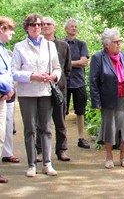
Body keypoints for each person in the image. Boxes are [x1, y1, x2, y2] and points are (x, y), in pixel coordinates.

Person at [12, 14, 61, 177]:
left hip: (46, 92)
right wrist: (32, 76)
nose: (37, 27)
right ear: (27, 27)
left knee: (46, 128)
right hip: (27, 93)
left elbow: (57, 68)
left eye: (39, 24)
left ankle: (47, 163)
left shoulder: (49, 46)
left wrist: (53, 76)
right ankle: (32, 164)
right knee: (30, 129)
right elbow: (14, 72)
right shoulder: (19, 47)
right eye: (33, 25)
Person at [89, 28, 124, 169]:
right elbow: (93, 81)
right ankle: (109, 156)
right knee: (109, 127)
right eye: (116, 42)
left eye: (119, 41)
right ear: (107, 44)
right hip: (107, 98)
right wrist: (96, 101)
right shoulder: (98, 57)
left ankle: (123, 156)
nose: (119, 44)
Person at [36, 17, 72, 162]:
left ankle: (61, 150)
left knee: (60, 122)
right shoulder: (37, 45)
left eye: (48, 24)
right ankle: (39, 151)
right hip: (41, 89)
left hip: (59, 89)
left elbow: (67, 69)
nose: (45, 26)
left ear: (54, 27)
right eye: (42, 24)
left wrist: (59, 80)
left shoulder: (64, 46)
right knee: (41, 123)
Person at [64, 18, 90, 149]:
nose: (74, 28)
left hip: (79, 82)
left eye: (75, 26)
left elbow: (84, 62)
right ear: (66, 29)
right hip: (64, 83)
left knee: (80, 111)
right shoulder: (61, 44)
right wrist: (76, 62)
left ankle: (81, 137)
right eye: (71, 26)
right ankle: (62, 139)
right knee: (62, 111)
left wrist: (68, 63)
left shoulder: (81, 44)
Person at [0, 16, 17, 183]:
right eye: (10, 29)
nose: (12, 33)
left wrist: (10, 89)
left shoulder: (4, 49)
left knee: (2, 135)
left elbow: (8, 73)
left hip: (4, 97)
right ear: (1, 29)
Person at [2, 50, 20, 164]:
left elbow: (15, 75)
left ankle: (7, 153)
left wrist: (9, 89)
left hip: (8, 95)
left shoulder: (7, 53)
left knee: (8, 125)